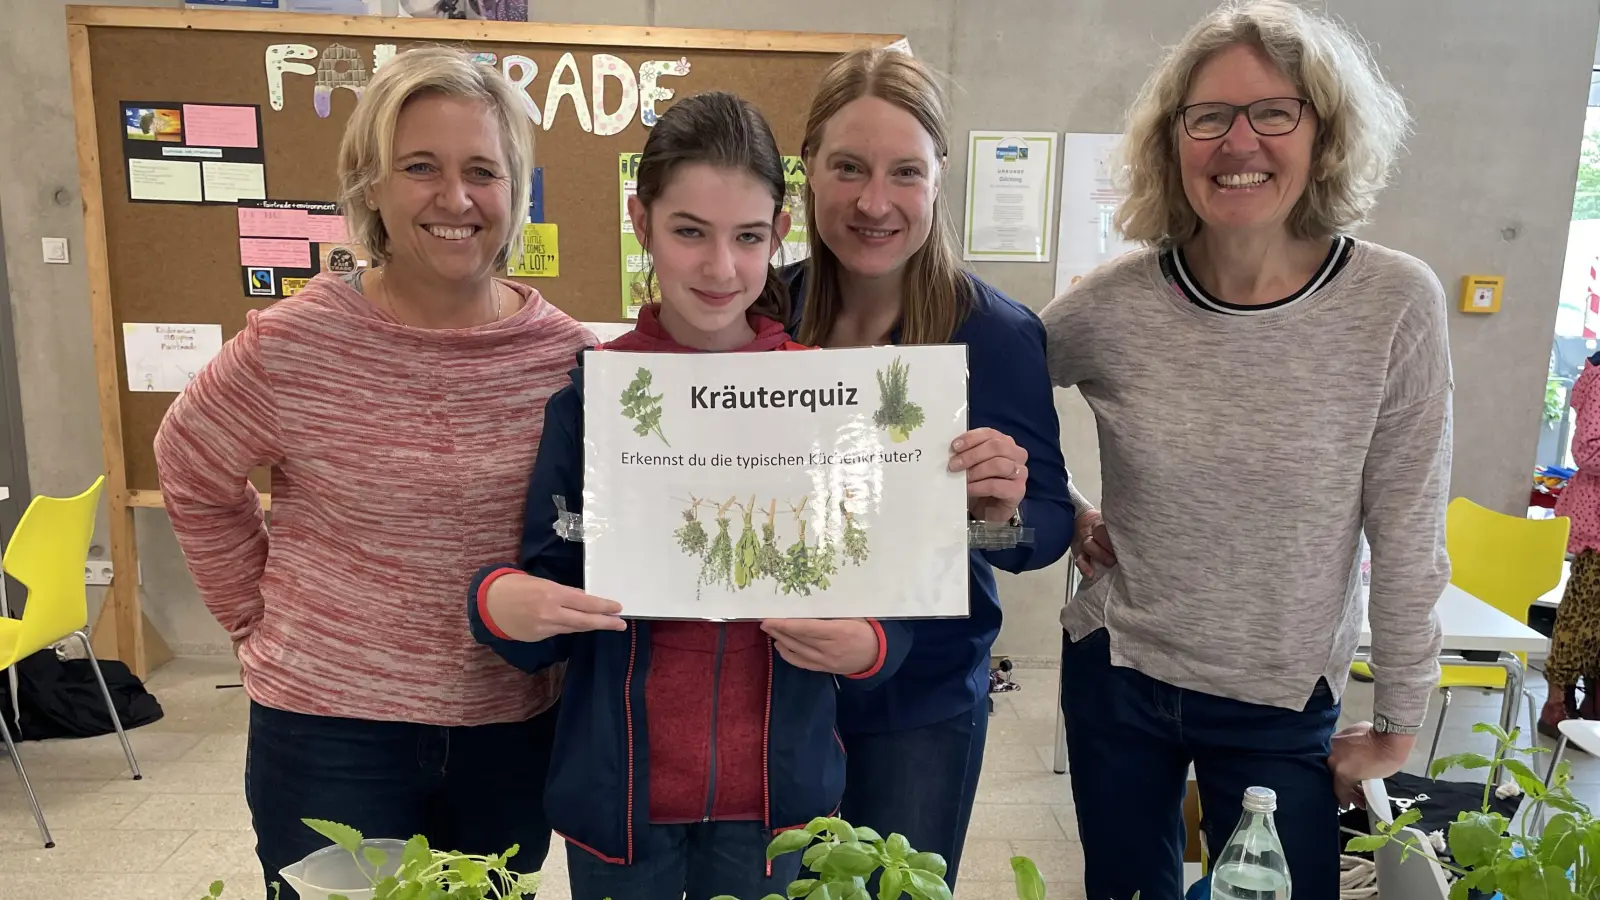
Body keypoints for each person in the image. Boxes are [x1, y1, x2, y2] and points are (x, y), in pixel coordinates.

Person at [1040, 2, 1452, 897]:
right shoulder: (1114, 304)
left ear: (1324, 132)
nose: (1239, 142)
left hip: (1279, 697)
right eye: (1209, 116)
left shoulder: (1393, 303)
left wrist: (1400, 716)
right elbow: (995, 393)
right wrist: (1067, 508)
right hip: (1120, 673)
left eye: (1275, 111)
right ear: (1172, 139)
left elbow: (1410, 527)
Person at [154, 47, 584, 899]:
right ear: (370, 187)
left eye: (482, 172)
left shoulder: (567, 358)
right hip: (327, 728)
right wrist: (252, 615)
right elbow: (189, 462)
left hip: (509, 726)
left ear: (516, 190)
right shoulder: (295, 344)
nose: (454, 199)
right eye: (419, 167)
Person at [466, 91, 910, 900]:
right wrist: (500, 603)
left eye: (747, 237)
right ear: (642, 222)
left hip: (780, 808)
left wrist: (874, 643)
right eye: (688, 232)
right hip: (621, 804)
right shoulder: (596, 394)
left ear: (780, 234)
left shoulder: (827, 397)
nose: (720, 269)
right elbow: (546, 577)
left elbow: (889, 598)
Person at [787, 48, 1076, 888]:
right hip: (775, 683)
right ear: (806, 168)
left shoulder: (995, 333)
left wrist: (1000, 513)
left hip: (922, 695)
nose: (875, 202)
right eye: (848, 167)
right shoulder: (767, 317)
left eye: (904, 172)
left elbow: (1046, 524)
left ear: (939, 177)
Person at [1543, 350, 1600, 735]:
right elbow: (1588, 450)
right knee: (1584, 615)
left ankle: (1589, 701)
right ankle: (1556, 701)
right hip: (1595, 518)